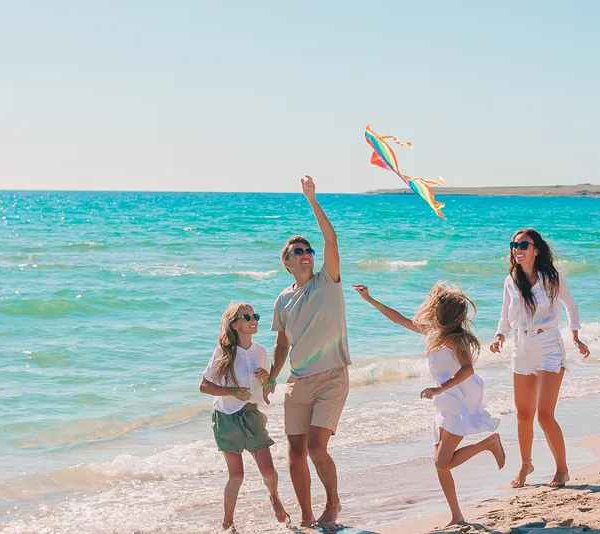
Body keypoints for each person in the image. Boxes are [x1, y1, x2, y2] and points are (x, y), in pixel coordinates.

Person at [354, 282, 505, 527]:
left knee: (441, 462)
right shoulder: (433, 332)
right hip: (444, 402)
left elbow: (468, 369)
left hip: (458, 402)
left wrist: (439, 388)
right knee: (441, 464)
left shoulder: (454, 339)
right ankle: (457, 516)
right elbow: (399, 319)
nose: (430, 309)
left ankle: (489, 443)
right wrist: (370, 300)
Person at [263, 175, 351, 528]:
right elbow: (282, 341)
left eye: (308, 250)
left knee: (317, 447)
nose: (306, 254)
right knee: (295, 454)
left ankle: (333, 503)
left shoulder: (327, 280)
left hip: (332, 377)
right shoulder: (283, 299)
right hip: (297, 381)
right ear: (286, 263)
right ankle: (306, 515)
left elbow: (331, 239)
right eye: (297, 252)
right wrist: (271, 377)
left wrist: (311, 199)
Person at [489, 228, 590, 488]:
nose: (517, 249)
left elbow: (572, 306)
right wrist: (500, 336)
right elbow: (504, 315)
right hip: (521, 347)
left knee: (544, 415)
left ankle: (562, 470)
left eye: (523, 244)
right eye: (514, 244)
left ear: (536, 249)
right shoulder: (510, 280)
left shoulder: (552, 278)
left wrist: (576, 337)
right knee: (523, 414)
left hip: (548, 346)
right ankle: (526, 466)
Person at [200, 302, 290, 531]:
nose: (253, 320)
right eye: (247, 316)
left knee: (268, 470)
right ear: (234, 324)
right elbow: (204, 386)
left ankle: (274, 498)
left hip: (251, 414)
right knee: (237, 475)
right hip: (226, 417)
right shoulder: (223, 352)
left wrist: (266, 379)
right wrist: (231, 391)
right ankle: (227, 523)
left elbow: (267, 390)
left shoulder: (260, 351)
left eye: (255, 316)